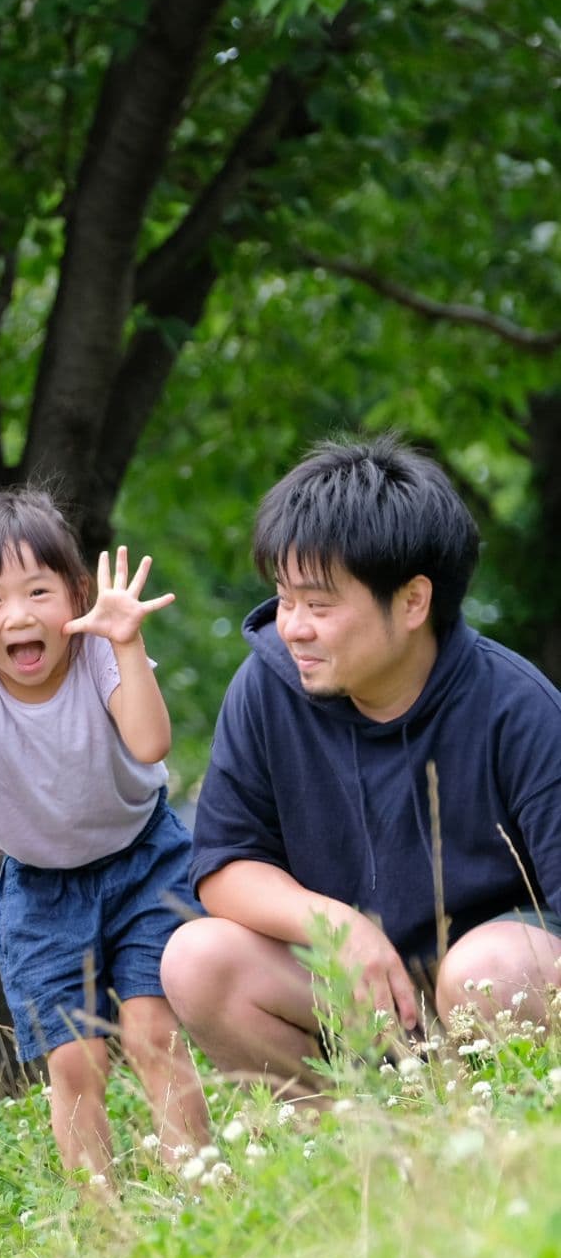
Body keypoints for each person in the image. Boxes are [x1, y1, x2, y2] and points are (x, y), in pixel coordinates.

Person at [162, 435, 561, 1091]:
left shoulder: (518, 707)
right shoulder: (265, 688)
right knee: (197, 957)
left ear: (412, 602)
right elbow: (226, 867)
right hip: (354, 1002)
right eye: (286, 599)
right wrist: (338, 927)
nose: (293, 627)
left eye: (319, 606)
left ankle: (491, 1134)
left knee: (486, 972)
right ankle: (355, 1154)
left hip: (495, 995)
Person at [0, 488, 211, 1178]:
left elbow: (152, 743)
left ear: (78, 594)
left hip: (143, 864)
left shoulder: (98, 656)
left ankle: (201, 1188)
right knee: (74, 1057)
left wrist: (128, 643)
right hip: (39, 891)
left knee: (154, 1033)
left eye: (39, 591)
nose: (21, 615)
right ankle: (101, 1222)